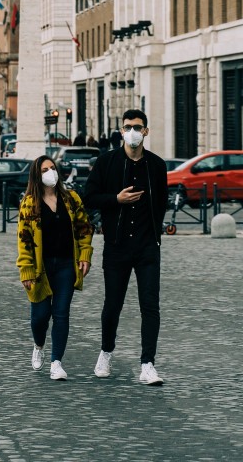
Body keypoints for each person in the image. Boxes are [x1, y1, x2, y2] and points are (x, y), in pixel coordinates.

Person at [83, 108, 169, 386]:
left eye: (138, 126)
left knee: (150, 306)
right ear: (122, 131)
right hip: (117, 245)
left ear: (146, 131)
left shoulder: (156, 165)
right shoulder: (106, 162)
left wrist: (155, 234)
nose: (133, 131)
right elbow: (90, 197)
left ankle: (148, 364)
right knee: (113, 304)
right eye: (128, 126)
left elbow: (163, 202)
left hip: (147, 246)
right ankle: (106, 352)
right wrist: (115, 199)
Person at [16, 156, 94, 380]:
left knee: (61, 314)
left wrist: (85, 255)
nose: (50, 172)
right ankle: (39, 345)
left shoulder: (70, 199)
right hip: (41, 267)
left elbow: (84, 228)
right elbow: (24, 240)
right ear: (36, 176)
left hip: (66, 265)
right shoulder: (30, 203)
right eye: (44, 170)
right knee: (40, 317)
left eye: (52, 168)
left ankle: (56, 362)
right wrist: (26, 270)